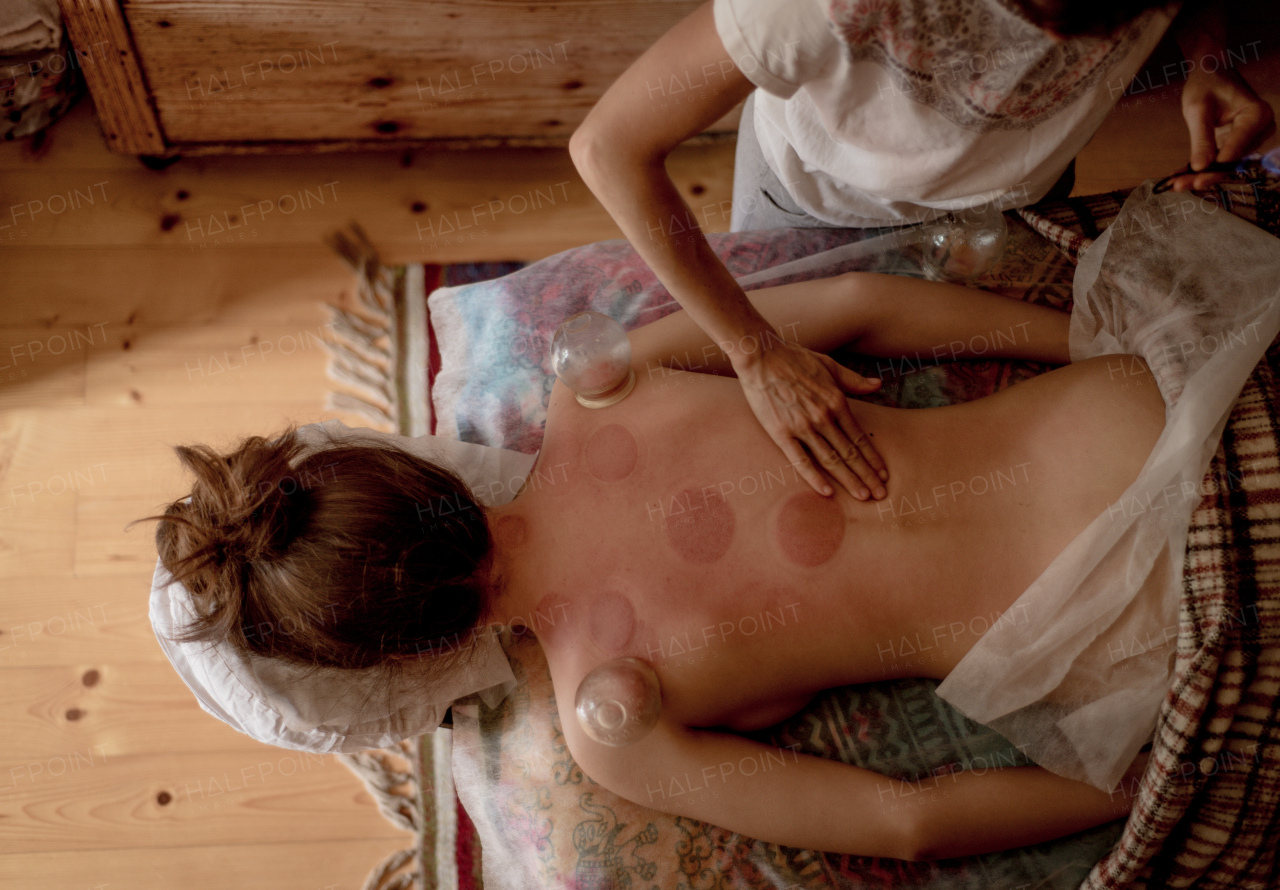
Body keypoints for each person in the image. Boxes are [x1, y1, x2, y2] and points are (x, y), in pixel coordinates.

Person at [144, 270, 1164, 859]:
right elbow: (862, 300)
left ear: (399, 663)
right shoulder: (602, 385)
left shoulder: (612, 716)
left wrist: (1150, 788)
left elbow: (909, 821)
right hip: (1126, 418)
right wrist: (1115, 344)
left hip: (1142, 622)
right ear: (400, 463)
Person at [568, 0, 1275, 505]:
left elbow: (867, 308)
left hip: (1022, 189)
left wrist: (1208, 55)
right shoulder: (805, 9)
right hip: (812, 198)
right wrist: (754, 352)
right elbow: (607, 148)